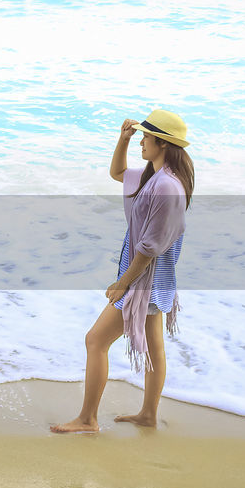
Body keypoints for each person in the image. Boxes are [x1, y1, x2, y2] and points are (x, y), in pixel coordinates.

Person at [50, 109, 194, 433]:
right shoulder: (154, 177)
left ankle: (87, 419)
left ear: (161, 142)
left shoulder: (166, 187)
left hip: (144, 281)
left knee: (95, 340)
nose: (142, 141)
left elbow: (149, 248)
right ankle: (148, 416)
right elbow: (117, 172)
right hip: (157, 280)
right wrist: (123, 139)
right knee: (155, 347)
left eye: (146, 137)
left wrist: (122, 284)